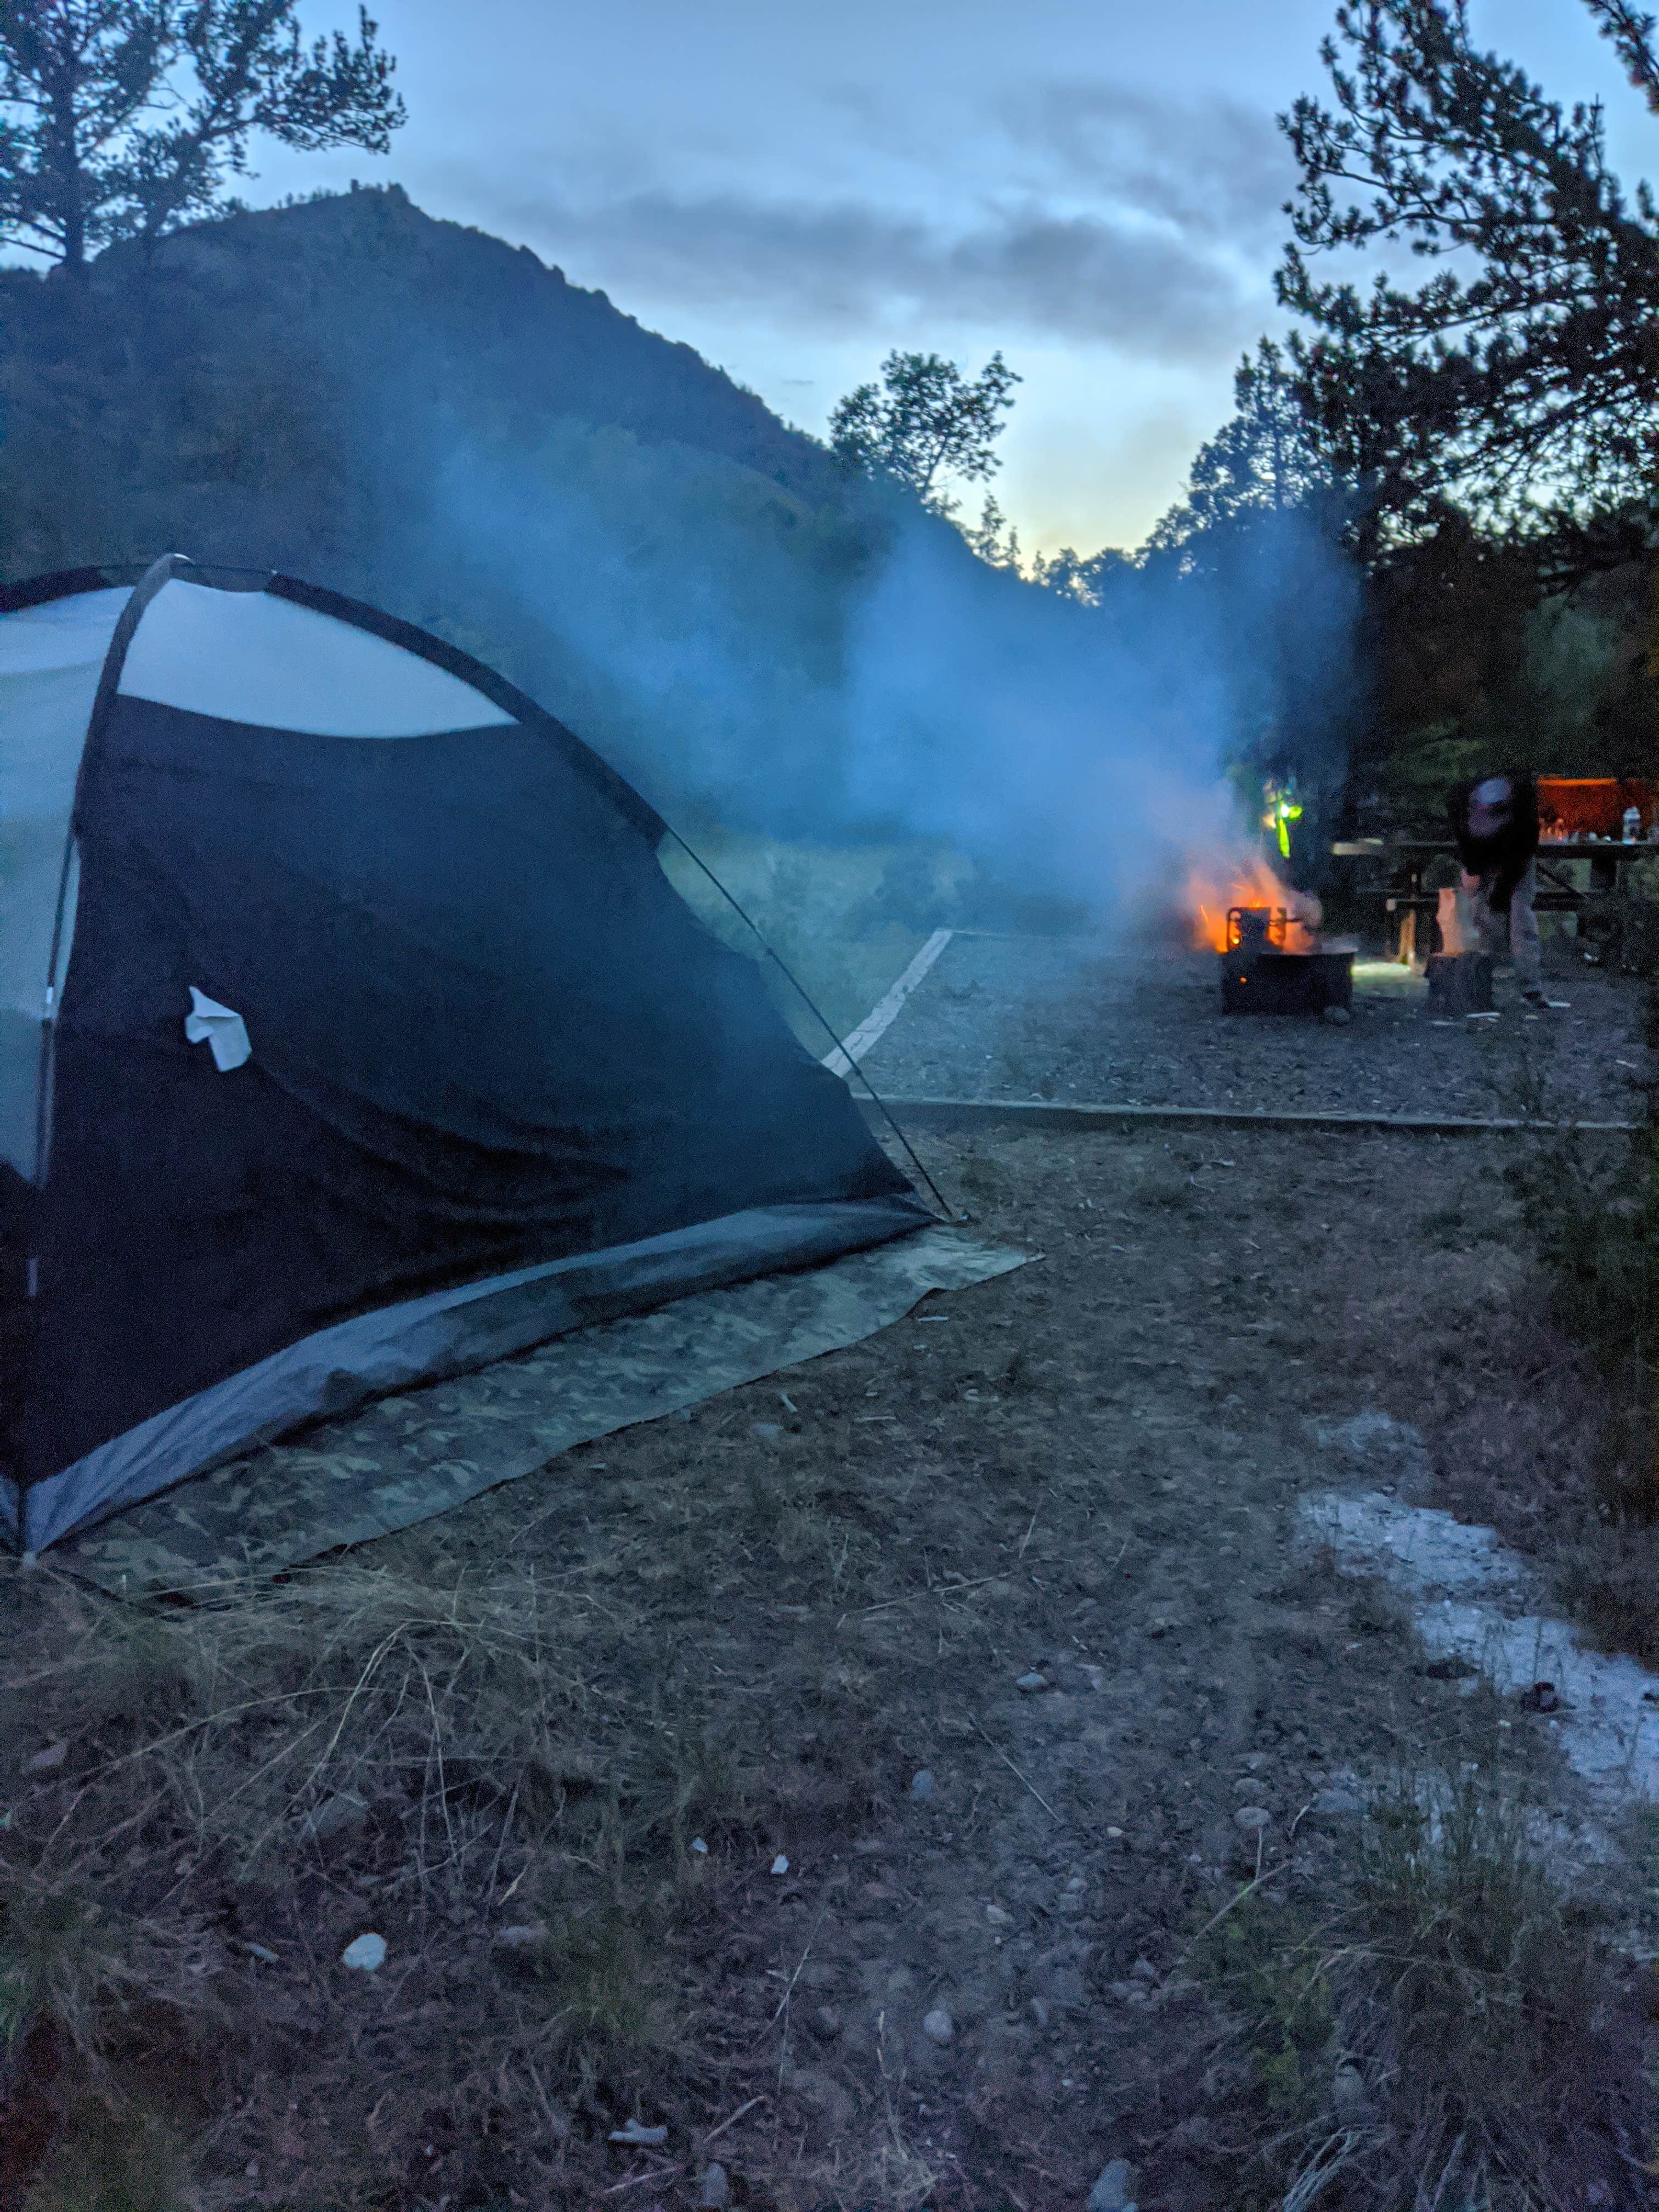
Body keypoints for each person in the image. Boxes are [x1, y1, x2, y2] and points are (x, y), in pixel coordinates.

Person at [1446, 770, 1561, 1008]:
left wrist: (1500, 894)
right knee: (1477, 916)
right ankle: (1477, 980)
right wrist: (1472, 871)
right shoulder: (1462, 803)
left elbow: (1521, 858)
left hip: (1515, 862)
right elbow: (1465, 842)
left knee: (1521, 920)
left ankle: (1530, 987)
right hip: (1482, 857)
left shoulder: (1523, 817)